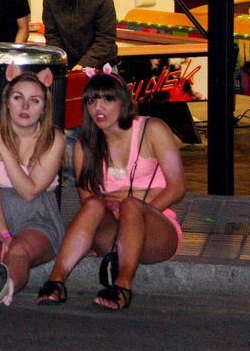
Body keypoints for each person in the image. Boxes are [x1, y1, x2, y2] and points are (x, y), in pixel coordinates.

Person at [36, 72, 185, 311]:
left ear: (123, 101)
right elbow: (89, 202)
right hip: (110, 230)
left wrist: (135, 213)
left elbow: (177, 187)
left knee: (131, 206)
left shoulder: (152, 129)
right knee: (95, 206)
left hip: (155, 228)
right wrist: (114, 210)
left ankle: (122, 287)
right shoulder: (85, 147)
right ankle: (56, 280)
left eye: (107, 99)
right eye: (91, 101)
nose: (98, 108)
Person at [0, 68, 66, 306]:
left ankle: (4, 286)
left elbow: (29, 190)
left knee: (19, 250)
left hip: (37, 212)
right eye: (18, 97)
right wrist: (4, 232)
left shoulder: (54, 139)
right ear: (7, 102)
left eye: (34, 100)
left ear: (44, 107)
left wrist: (7, 153)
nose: (25, 106)